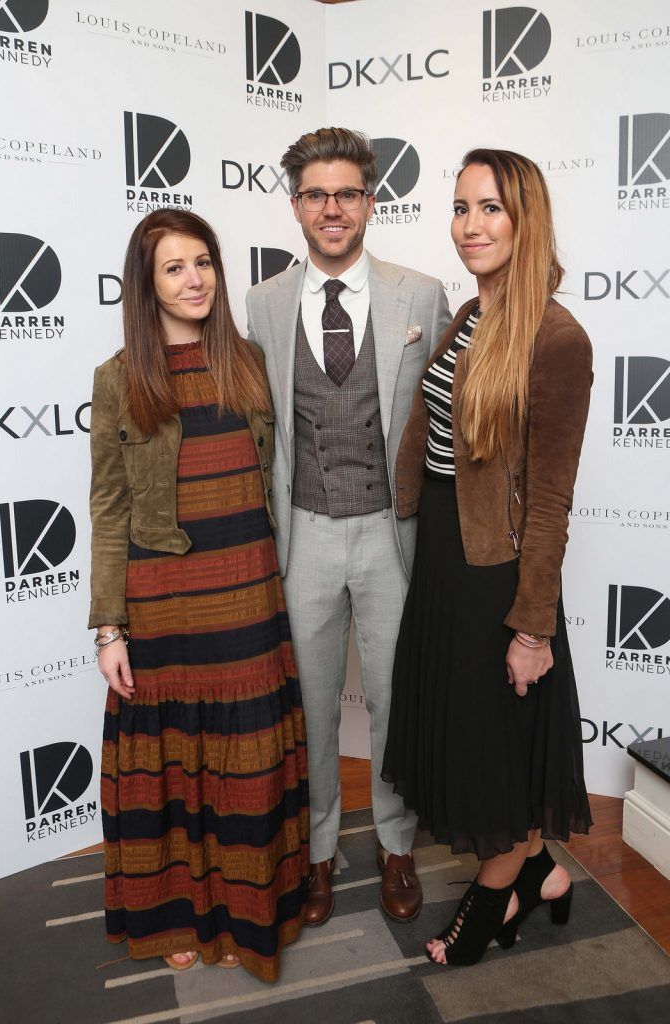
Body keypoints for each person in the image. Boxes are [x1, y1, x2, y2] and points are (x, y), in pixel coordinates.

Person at [384, 148, 593, 966]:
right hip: (445, 555)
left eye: (491, 208)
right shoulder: (475, 312)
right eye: (462, 207)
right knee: (470, 739)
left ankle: (489, 905)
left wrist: (532, 628)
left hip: (498, 577)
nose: (470, 225)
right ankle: (541, 874)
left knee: (496, 752)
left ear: (526, 218)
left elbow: (549, 500)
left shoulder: (556, 336)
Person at [88, 209, 309, 983]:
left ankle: (252, 916)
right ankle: (177, 913)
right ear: (146, 288)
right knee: (170, 775)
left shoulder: (246, 362)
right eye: (174, 268)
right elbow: (110, 510)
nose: (194, 279)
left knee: (245, 771)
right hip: (163, 598)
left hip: (247, 588)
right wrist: (109, 628)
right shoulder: (119, 381)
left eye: (204, 261)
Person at [246, 127, 451, 926]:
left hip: (393, 536)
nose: (332, 209)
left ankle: (396, 845)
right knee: (314, 703)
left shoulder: (421, 293)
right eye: (315, 194)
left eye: (348, 193)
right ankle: (321, 852)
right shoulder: (263, 302)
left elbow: (445, 425)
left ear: (371, 201)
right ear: (296, 205)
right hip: (303, 536)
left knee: (400, 699)